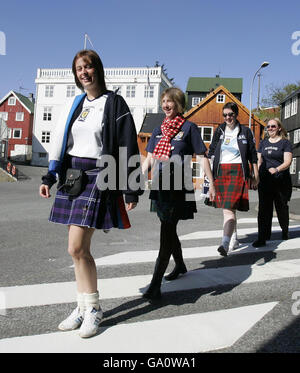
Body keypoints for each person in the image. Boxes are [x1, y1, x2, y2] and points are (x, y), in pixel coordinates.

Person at [39, 49, 142, 338]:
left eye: (88, 67)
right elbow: (61, 141)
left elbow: (127, 145)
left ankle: (94, 308)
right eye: (79, 69)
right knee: (77, 251)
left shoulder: (114, 102)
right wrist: (50, 175)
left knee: (76, 248)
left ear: (98, 69)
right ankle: (83, 306)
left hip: (98, 175)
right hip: (74, 176)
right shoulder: (75, 104)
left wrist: (131, 187)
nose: (84, 72)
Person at [142, 87, 215, 301]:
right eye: (163, 101)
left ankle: (155, 284)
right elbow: (150, 158)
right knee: (169, 228)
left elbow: (201, 157)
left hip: (178, 187)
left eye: (170, 101)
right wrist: (135, 176)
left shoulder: (189, 127)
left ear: (179, 104)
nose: (166, 105)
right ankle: (181, 264)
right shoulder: (159, 129)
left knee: (167, 231)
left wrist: (211, 182)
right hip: (160, 186)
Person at [207, 102, 259, 257]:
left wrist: (256, 176)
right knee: (229, 209)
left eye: (231, 114)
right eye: (225, 115)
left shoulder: (245, 131)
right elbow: (211, 152)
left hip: (238, 171)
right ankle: (233, 238)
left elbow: (252, 155)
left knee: (228, 208)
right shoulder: (220, 130)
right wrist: (208, 175)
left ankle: (224, 242)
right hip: (221, 171)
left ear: (236, 115)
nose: (228, 117)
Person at [252, 118, 293, 247]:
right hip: (265, 180)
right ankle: (262, 237)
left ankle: (285, 229)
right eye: (268, 127)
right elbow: (259, 161)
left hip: (281, 180)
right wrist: (256, 177)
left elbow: (288, 161)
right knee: (264, 210)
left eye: (273, 126)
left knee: (281, 208)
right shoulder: (263, 143)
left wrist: (276, 169)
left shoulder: (285, 143)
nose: (270, 129)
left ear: (279, 128)